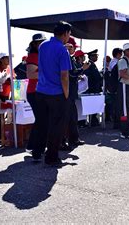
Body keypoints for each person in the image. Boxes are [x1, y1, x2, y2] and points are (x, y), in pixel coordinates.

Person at [29, 21, 72, 166]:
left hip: (40, 91)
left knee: (41, 123)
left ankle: (36, 152)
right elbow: (64, 75)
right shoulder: (62, 50)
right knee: (56, 126)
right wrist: (66, 94)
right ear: (65, 33)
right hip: (56, 93)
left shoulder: (43, 46)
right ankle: (51, 158)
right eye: (69, 34)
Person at [62, 42, 88, 149]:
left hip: (70, 92)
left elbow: (72, 75)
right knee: (66, 118)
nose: (73, 49)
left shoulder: (70, 58)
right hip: (67, 92)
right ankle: (63, 141)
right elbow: (71, 74)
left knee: (73, 117)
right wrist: (83, 68)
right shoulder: (65, 58)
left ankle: (74, 139)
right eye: (72, 47)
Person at [25, 33, 47, 150]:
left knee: (42, 120)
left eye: (43, 42)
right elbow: (31, 74)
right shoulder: (33, 56)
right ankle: (32, 146)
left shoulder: (41, 55)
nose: (41, 44)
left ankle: (37, 146)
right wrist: (49, 73)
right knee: (41, 120)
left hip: (40, 91)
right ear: (34, 44)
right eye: (39, 42)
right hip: (34, 92)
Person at [84, 49, 103, 126]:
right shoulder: (89, 64)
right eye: (95, 55)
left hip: (94, 88)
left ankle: (94, 120)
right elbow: (96, 76)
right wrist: (101, 76)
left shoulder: (92, 64)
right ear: (91, 56)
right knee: (92, 106)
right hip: (92, 88)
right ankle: (93, 121)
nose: (97, 57)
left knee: (94, 106)